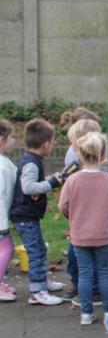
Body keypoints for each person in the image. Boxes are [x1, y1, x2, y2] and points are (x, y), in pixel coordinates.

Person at [58, 132, 108, 326]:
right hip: (103, 235)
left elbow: (63, 206)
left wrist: (74, 217)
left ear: (80, 155)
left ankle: (86, 313)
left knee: (84, 274)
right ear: (103, 156)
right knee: (103, 273)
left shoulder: (72, 180)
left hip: (80, 236)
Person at [10, 119, 65, 305]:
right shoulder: (32, 163)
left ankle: (42, 282)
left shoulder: (32, 161)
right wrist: (51, 183)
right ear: (46, 144)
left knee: (39, 249)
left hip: (27, 215)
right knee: (36, 252)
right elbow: (28, 187)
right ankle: (37, 292)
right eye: (52, 142)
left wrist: (49, 178)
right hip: (24, 216)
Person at [0, 120, 17, 302]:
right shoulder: (2, 165)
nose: (14, 142)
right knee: (7, 249)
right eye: (11, 138)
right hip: (0, 220)